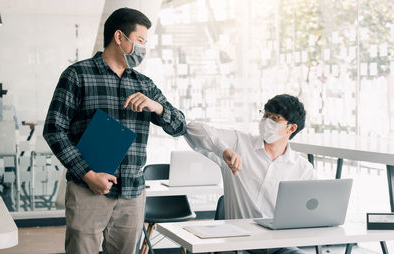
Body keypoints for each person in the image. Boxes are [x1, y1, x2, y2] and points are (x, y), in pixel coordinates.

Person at [43, 8, 186, 254]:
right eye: (140, 41)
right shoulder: (77, 75)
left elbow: (179, 126)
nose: (143, 48)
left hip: (132, 194)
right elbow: (54, 130)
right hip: (87, 190)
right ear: (119, 37)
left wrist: (157, 107)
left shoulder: (145, 84)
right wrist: (88, 174)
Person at [184, 94, 315, 254]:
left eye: (274, 118)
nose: (266, 121)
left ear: (291, 128)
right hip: (237, 244)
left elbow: (312, 212)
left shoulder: (303, 169)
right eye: (265, 115)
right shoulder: (239, 143)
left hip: (279, 245)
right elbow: (192, 128)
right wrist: (223, 150)